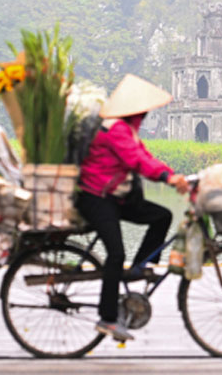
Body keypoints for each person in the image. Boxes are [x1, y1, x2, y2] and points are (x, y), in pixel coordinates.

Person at [76, 74, 189, 342]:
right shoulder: (115, 129)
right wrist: (165, 178)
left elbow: (145, 155)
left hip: (115, 196)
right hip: (96, 197)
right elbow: (136, 160)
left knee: (162, 216)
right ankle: (107, 319)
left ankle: (141, 266)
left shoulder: (127, 130)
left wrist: (172, 175)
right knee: (115, 254)